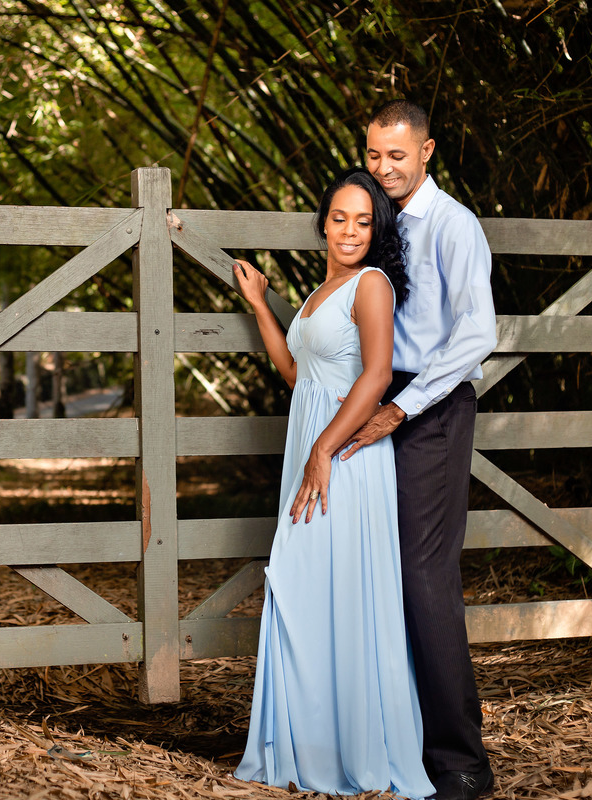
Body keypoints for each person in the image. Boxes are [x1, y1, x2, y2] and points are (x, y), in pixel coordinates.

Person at [232, 167, 436, 800]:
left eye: (364, 221)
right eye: (340, 217)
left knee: (337, 589)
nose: (350, 230)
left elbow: (375, 377)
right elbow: (300, 375)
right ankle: (305, 746)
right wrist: (262, 306)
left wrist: (324, 450)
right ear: (323, 221)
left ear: (376, 231)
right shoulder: (325, 287)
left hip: (346, 457)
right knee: (304, 586)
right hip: (315, 447)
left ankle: (354, 752)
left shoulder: (372, 285)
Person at [337, 100, 498, 800]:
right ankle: (388, 742)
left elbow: (476, 335)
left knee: (422, 573)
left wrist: (401, 406)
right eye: (374, 155)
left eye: (397, 155)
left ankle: (462, 760)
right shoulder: (371, 219)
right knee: (371, 563)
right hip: (374, 393)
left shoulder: (455, 225)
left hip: (428, 404)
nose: (383, 168)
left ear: (427, 151)